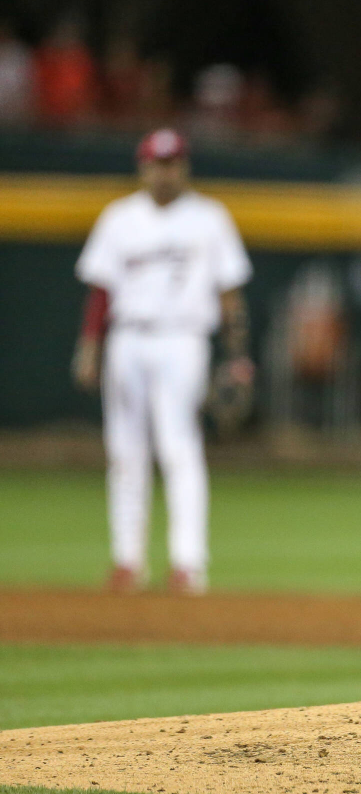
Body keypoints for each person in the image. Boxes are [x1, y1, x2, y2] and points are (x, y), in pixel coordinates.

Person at [72, 129, 254, 596]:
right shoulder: (119, 218)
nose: (164, 171)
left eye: (172, 163)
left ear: (185, 166)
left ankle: (187, 564)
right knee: (124, 452)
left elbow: (230, 294)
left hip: (183, 339)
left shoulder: (210, 218)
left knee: (178, 447)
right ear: (143, 166)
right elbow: (101, 290)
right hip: (127, 338)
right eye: (157, 163)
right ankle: (127, 561)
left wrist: (237, 357)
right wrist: (90, 345)